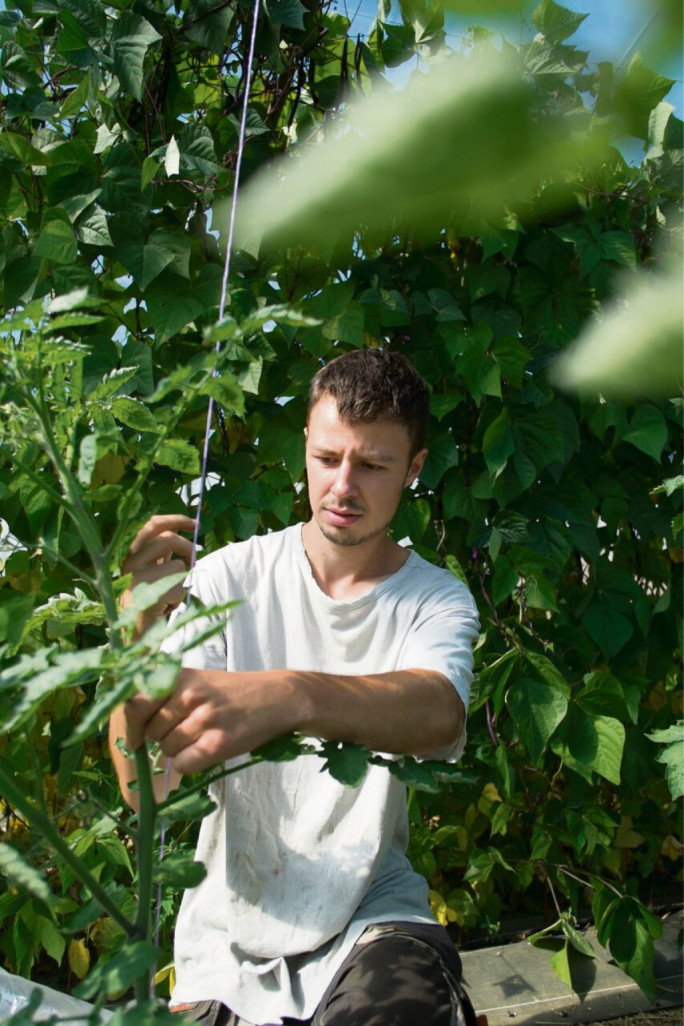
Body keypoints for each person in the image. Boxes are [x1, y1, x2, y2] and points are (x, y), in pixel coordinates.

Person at [110, 348, 480, 1026]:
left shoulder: (435, 600)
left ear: (414, 471)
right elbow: (148, 789)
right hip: (224, 936)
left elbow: (438, 712)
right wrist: (134, 659)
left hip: (372, 915)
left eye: (372, 465)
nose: (344, 486)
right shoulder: (226, 580)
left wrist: (292, 696)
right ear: (304, 448)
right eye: (327, 458)